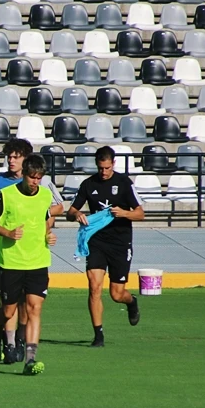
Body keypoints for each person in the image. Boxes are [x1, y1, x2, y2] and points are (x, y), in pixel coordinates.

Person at [0, 139, 64, 365]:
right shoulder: (6, 192)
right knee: (8, 310)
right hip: (10, 260)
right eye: (32, 177)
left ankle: (30, 357)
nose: (35, 182)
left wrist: (48, 233)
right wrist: (7, 233)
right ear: (25, 173)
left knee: (33, 308)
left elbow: (46, 219)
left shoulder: (45, 195)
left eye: (39, 178)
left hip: (38, 260)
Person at [67, 146, 145, 347]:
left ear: (114, 164)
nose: (104, 172)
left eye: (107, 168)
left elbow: (140, 213)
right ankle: (98, 335)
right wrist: (77, 215)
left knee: (116, 294)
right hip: (97, 241)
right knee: (94, 287)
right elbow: (71, 211)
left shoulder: (124, 183)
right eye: (101, 168)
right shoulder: (88, 184)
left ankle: (131, 302)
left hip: (120, 242)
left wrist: (124, 213)